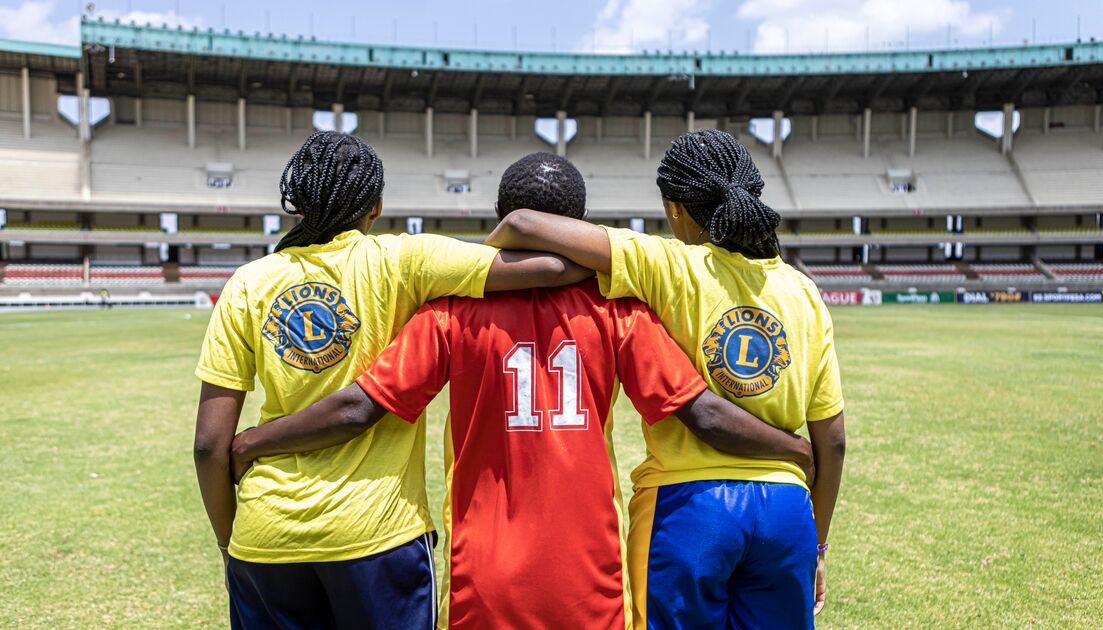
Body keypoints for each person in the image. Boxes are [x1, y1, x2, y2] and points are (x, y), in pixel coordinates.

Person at [227, 152, 815, 629]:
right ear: (578, 221)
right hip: (591, 569)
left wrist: (253, 441)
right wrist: (794, 449)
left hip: (481, 572)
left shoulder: (450, 312)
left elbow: (366, 403)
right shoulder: (618, 311)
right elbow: (694, 407)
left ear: (502, 215)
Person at [192, 132, 590, 629]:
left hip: (266, 538)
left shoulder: (248, 283)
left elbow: (210, 446)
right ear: (376, 205)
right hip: (378, 535)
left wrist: (230, 543)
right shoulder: (404, 260)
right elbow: (555, 265)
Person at [485, 130, 846, 630]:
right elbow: (835, 441)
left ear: (675, 210)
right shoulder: (804, 292)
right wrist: (819, 544)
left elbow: (522, 223)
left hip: (688, 505)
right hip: (787, 511)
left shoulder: (669, 264)